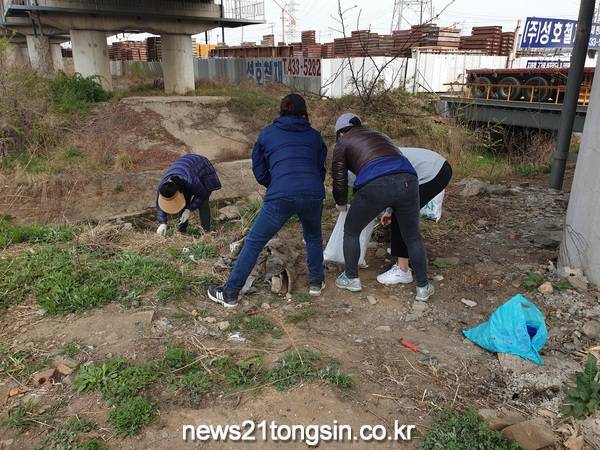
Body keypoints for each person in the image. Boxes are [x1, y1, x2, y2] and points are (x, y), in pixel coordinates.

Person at [207, 93, 328, 308]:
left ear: (281, 110)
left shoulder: (268, 133)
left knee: (254, 242)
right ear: (304, 112)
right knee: (313, 237)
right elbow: (320, 169)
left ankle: (230, 293)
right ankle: (316, 283)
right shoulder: (314, 136)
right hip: (313, 193)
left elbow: (259, 168)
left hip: (281, 194)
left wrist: (275, 184)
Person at [331, 113, 434, 302]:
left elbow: (339, 177)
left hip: (375, 183)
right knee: (412, 236)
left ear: (340, 132)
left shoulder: (343, 142)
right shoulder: (380, 135)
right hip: (408, 180)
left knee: (351, 230)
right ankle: (423, 287)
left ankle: (351, 278)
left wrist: (341, 202)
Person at [378, 148, 452, 285]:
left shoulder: (377, 162)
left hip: (432, 173)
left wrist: (390, 209)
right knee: (401, 212)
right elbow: (396, 187)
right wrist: (388, 211)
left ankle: (402, 270)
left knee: (402, 214)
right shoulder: (380, 151)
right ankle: (406, 254)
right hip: (439, 166)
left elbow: (393, 187)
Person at [156, 153, 221, 236]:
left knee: (203, 203)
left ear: (179, 191)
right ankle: (182, 232)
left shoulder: (191, 181)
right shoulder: (163, 186)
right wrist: (162, 223)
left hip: (201, 165)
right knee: (183, 204)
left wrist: (189, 210)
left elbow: (201, 195)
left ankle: (206, 232)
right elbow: (160, 205)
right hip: (185, 169)